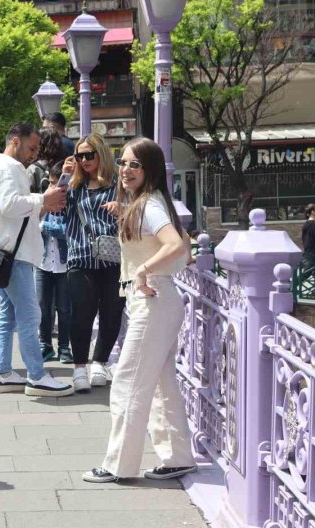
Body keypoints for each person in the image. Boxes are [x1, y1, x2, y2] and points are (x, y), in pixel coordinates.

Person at [83, 137, 197, 483]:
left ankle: (119, 464)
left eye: (136, 165)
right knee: (161, 384)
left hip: (152, 300)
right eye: (123, 163)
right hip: (154, 300)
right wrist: (128, 213)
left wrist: (146, 269)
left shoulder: (150, 205)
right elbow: (187, 246)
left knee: (128, 382)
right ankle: (177, 456)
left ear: (150, 171)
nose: (126, 170)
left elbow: (178, 246)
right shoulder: (146, 203)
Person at [0, 123, 73, 397]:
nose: (34, 153)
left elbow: (14, 207)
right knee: (29, 314)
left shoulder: (6, 168)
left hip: (10, 252)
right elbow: (10, 204)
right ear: (14, 141)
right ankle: (36, 375)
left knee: (9, 314)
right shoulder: (7, 168)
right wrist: (41, 199)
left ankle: (3, 373)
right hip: (14, 253)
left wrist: (42, 203)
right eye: (31, 147)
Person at [62, 133, 123, 392]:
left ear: (102, 155)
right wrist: (64, 177)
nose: (84, 160)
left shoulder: (118, 185)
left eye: (89, 155)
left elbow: (139, 211)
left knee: (111, 314)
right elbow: (55, 208)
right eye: (79, 156)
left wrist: (123, 208)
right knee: (81, 315)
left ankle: (99, 362)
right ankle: (78, 369)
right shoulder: (74, 187)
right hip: (80, 257)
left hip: (114, 258)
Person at [37, 160, 73, 364]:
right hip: (42, 262)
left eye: (58, 184)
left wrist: (57, 229)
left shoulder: (71, 202)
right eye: (50, 183)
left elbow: (74, 232)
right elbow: (33, 224)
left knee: (64, 307)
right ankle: (45, 344)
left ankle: (64, 347)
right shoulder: (43, 201)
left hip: (64, 264)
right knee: (43, 306)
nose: (54, 188)